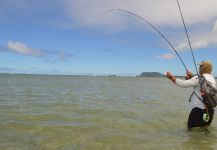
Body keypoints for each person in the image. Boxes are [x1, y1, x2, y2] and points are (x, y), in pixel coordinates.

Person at [166, 61, 216, 129]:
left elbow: (182, 84)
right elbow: (200, 84)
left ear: (202, 68)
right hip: (209, 111)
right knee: (204, 130)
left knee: (191, 131)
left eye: (200, 66)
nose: (199, 68)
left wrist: (171, 77)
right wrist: (192, 77)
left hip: (198, 111)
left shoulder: (198, 78)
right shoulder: (212, 78)